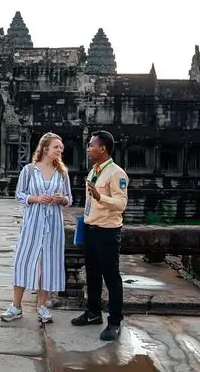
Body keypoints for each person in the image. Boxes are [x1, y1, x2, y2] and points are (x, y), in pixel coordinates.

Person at [0, 132, 72, 324]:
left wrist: (60, 199)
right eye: (56, 147)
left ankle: (42, 305)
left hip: (54, 222)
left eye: (61, 148)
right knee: (24, 259)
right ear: (45, 148)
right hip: (33, 220)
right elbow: (19, 194)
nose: (60, 150)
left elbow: (69, 199)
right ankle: (16, 305)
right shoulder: (30, 170)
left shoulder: (62, 173)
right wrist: (36, 198)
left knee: (49, 262)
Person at [71, 130, 129, 342]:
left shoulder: (116, 173)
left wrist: (100, 196)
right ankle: (93, 312)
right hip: (90, 229)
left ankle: (114, 321)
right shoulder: (94, 171)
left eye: (91, 145)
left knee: (111, 277)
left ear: (102, 148)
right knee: (92, 274)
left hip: (107, 232)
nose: (88, 148)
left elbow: (121, 204)